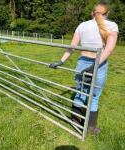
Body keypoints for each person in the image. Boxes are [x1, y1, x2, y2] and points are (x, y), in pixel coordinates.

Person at [49, 2, 118, 134]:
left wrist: (61, 61)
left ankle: (75, 122)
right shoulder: (112, 25)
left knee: (80, 92)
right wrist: (95, 67)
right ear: (107, 13)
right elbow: (108, 49)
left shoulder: (82, 25)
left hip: (82, 63)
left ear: (92, 13)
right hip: (100, 64)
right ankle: (90, 127)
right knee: (95, 96)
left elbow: (72, 47)